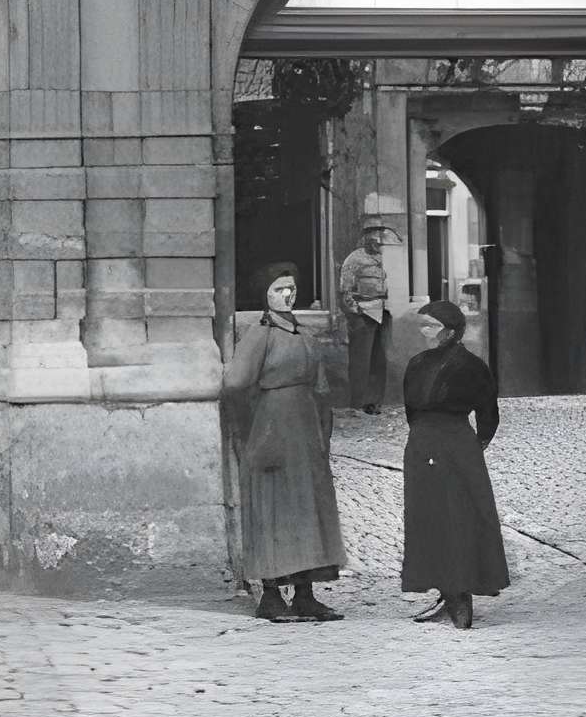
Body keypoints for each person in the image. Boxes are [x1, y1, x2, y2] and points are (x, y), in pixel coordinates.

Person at [219, 261, 345, 624]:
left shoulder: (304, 335)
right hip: (272, 430)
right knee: (273, 510)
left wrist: (324, 433)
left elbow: (321, 387)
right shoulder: (260, 335)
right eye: (279, 289)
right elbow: (236, 384)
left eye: (291, 288)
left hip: (306, 432)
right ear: (265, 295)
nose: (287, 294)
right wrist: (253, 431)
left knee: (308, 510)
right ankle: (272, 596)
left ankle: (306, 594)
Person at [400, 298, 510, 631]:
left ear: (450, 331)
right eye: (423, 326)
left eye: (431, 326)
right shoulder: (416, 364)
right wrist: (423, 441)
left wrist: (472, 448)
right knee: (429, 517)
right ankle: (447, 592)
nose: (425, 332)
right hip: (422, 445)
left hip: (457, 444)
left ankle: (461, 596)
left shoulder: (471, 366)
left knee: (460, 516)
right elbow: (411, 411)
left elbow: (489, 414)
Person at [338, 221, 392, 413]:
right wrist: (356, 313)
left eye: (380, 239)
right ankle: (357, 403)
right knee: (361, 361)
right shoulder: (354, 260)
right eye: (374, 238)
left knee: (379, 361)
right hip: (363, 315)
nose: (377, 243)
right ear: (365, 238)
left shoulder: (382, 259)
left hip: (381, 314)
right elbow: (345, 291)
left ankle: (373, 403)